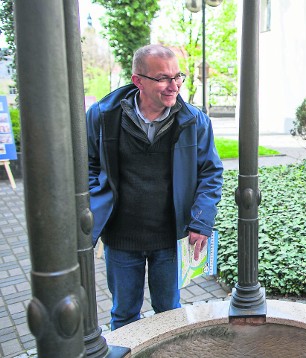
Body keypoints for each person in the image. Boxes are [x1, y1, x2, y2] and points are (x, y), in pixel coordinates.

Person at [87, 44, 224, 330]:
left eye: (177, 77)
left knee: (169, 314)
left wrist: (201, 221)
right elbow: (87, 167)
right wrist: (95, 209)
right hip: (121, 237)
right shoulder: (103, 116)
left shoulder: (194, 121)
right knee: (124, 315)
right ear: (138, 81)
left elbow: (210, 173)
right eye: (163, 78)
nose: (173, 86)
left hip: (170, 238)